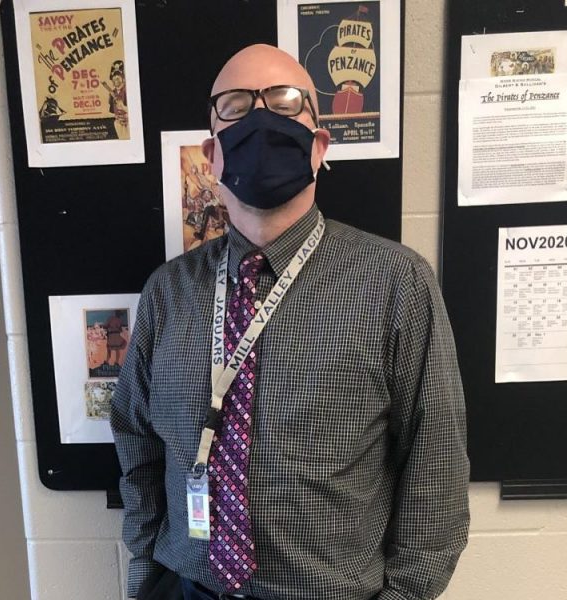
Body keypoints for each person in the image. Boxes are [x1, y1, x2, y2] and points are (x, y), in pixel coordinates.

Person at [112, 44, 469, 600]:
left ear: (319, 146)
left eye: (284, 103)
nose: (260, 120)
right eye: (235, 106)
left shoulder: (397, 284)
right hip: (189, 588)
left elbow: (436, 459)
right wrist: (144, 572)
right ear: (213, 156)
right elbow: (136, 436)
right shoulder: (168, 292)